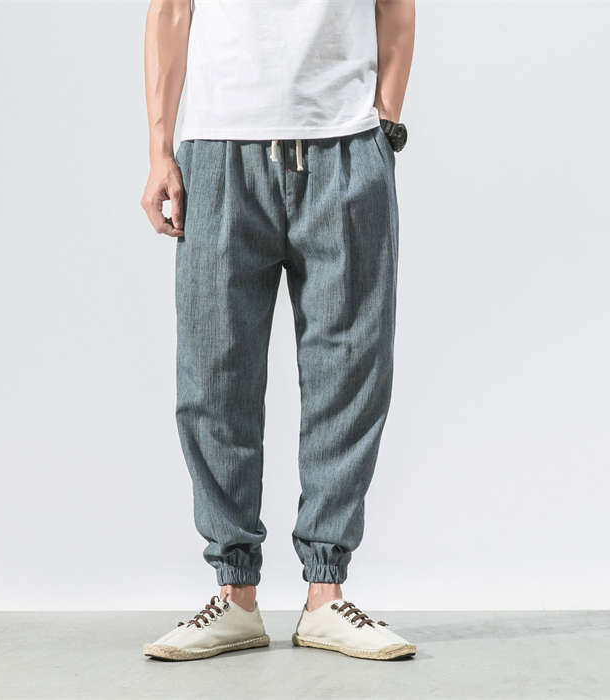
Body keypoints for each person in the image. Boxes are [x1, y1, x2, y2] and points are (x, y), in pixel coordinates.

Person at [140, 0, 416, 662]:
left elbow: (397, 8)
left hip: (346, 144)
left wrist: (385, 123)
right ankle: (234, 594)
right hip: (218, 148)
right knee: (214, 376)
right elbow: (171, 10)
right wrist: (159, 150)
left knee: (350, 371)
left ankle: (326, 593)